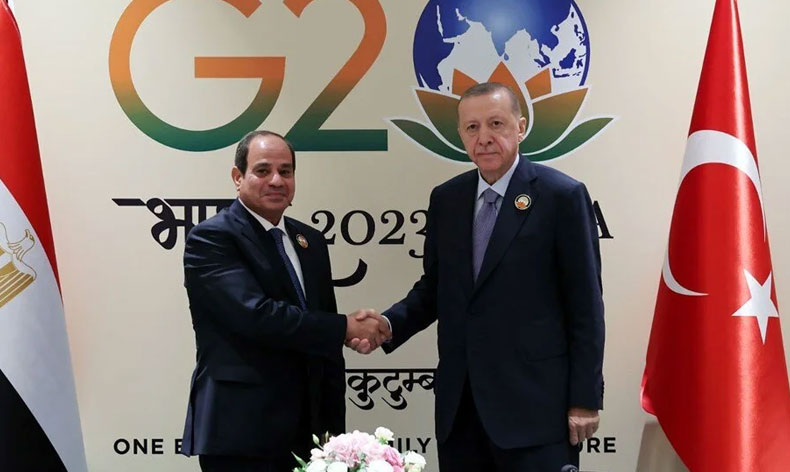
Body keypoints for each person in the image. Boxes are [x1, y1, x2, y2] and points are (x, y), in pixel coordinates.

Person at [352, 82, 605, 471]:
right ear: (460, 134)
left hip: (535, 411)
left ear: (521, 127)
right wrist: (388, 324)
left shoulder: (561, 196)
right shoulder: (447, 199)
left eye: (496, 124)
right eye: (472, 127)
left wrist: (585, 398)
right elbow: (436, 288)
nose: (484, 137)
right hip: (461, 411)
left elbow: (585, 305)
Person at [179, 130, 390, 471]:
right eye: (263, 170)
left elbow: (323, 343)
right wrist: (345, 327)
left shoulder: (310, 240)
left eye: (286, 171)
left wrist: (334, 435)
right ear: (238, 177)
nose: (276, 180)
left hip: (311, 434)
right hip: (242, 432)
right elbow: (257, 316)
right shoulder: (212, 238)